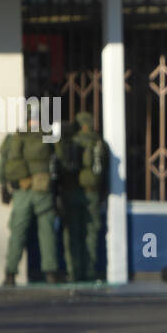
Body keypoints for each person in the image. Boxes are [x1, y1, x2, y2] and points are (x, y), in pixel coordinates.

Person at [0, 115, 60, 285]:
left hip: (22, 192)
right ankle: (50, 272)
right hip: (43, 191)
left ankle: (10, 274)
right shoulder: (48, 137)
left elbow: (2, 164)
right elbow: (59, 162)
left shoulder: (15, 138)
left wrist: (3, 186)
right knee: (47, 233)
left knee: (17, 233)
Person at [59, 111, 107, 282]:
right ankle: (89, 272)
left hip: (71, 193)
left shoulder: (71, 142)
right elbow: (105, 172)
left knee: (72, 234)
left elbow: (61, 166)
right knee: (91, 233)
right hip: (91, 193)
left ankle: (73, 273)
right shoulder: (99, 143)